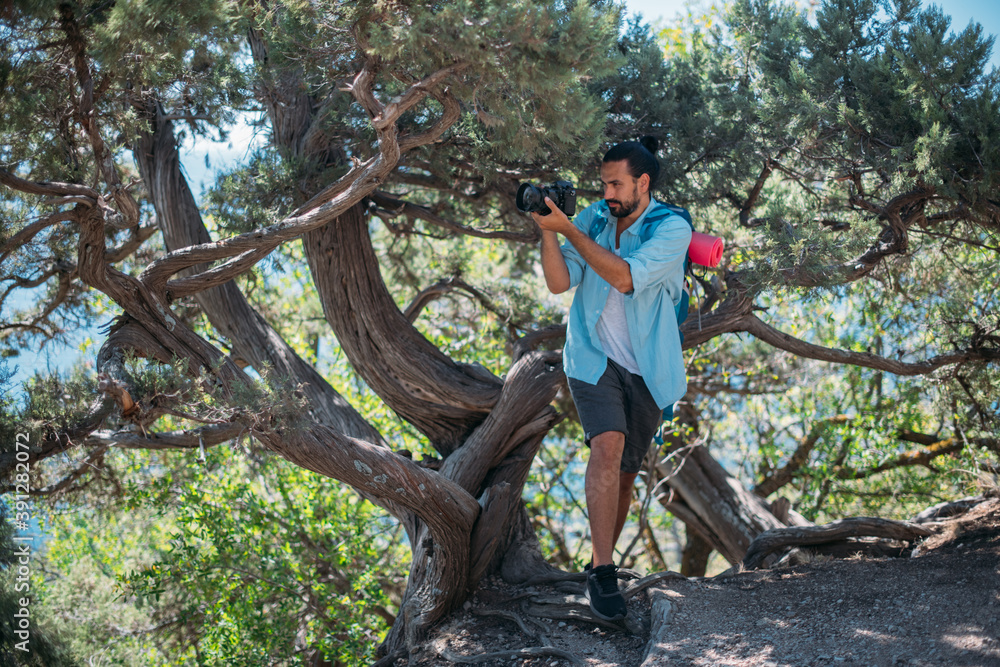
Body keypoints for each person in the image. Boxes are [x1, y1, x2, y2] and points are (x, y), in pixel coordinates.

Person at [533, 136, 691, 621]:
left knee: (624, 473)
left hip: (649, 370)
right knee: (606, 446)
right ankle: (601, 572)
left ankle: (603, 562)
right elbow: (561, 283)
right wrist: (548, 231)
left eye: (615, 183)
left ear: (643, 183)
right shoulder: (595, 220)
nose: (606, 193)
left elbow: (625, 278)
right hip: (593, 357)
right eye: (603, 183)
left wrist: (569, 230)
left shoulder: (672, 227)